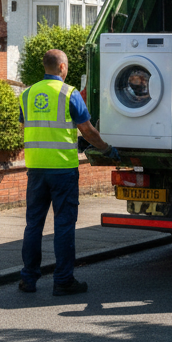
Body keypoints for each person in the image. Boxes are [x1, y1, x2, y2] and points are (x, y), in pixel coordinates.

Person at [18, 49, 120, 296]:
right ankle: (63, 281)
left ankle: (28, 279)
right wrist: (106, 149)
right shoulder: (69, 93)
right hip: (62, 169)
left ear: (45, 67)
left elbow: (25, 127)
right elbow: (87, 130)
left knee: (33, 225)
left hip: (36, 168)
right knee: (64, 225)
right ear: (62, 67)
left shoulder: (27, 94)